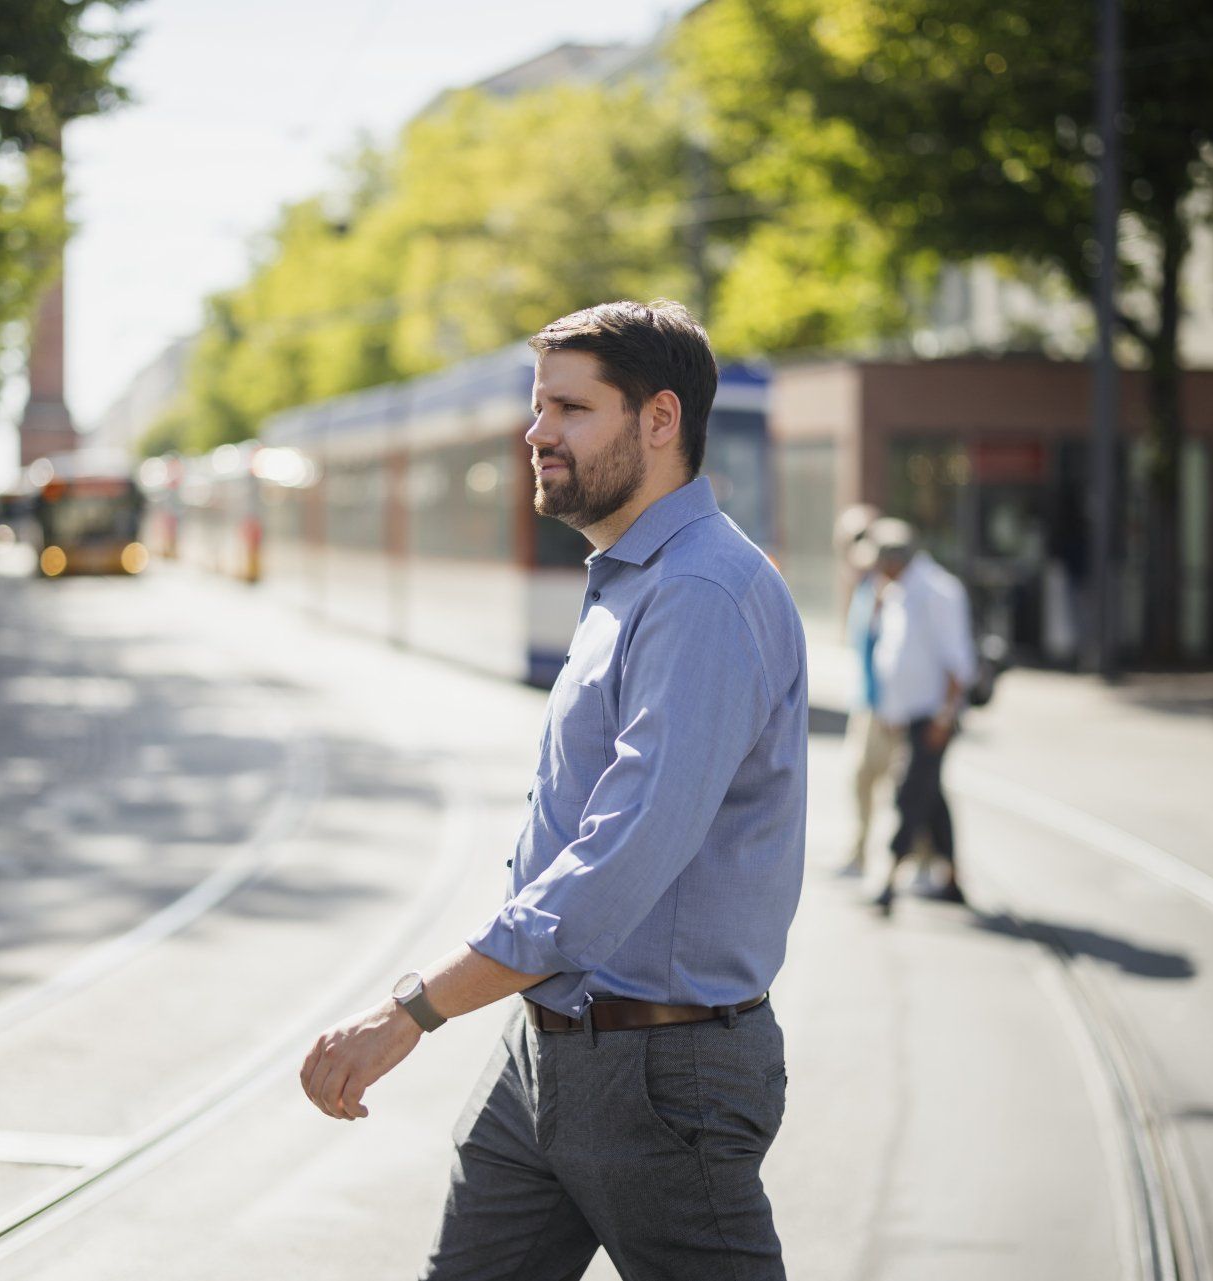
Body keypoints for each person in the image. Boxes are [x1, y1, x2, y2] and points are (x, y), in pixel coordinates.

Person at [299, 301, 808, 1280]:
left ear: (660, 420)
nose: (536, 433)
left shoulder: (699, 593)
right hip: (553, 1051)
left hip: (661, 1073)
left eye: (570, 409)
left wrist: (410, 1009)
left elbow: (613, 866)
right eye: (539, 409)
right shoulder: (630, 578)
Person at [855, 519, 978, 915]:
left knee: (909, 794)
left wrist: (945, 717)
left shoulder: (938, 590)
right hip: (909, 716)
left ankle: (889, 878)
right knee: (931, 796)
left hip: (933, 717)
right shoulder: (898, 591)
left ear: (896, 558)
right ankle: (953, 877)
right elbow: (895, 654)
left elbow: (958, 663)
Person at [834, 504, 900, 876]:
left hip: (886, 705)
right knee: (862, 780)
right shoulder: (863, 587)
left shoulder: (885, 589)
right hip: (868, 701)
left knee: (882, 781)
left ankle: (908, 858)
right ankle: (862, 854)